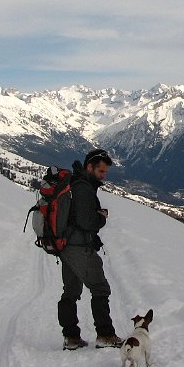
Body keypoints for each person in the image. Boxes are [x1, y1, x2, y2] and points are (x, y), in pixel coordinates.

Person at [58, 149, 122, 350]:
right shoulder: (84, 189)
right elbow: (87, 221)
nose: (103, 176)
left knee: (70, 291)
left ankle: (71, 337)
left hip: (67, 246)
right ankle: (105, 335)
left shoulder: (75, 183)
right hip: (79, 246)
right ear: (89, 167)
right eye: (101, 171)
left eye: (105, 172)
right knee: (100, 288)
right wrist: (101, 217)